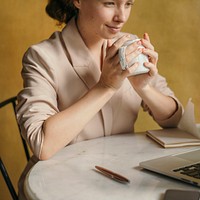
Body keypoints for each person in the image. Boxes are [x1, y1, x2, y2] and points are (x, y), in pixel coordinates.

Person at [16, 0, 183, 199]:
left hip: (119, 179)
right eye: (110, 3)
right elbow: (42, 145)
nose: (121, 16)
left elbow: (175, 120)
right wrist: (106, 86)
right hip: (56, 185)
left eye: (128, 4)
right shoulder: (42, 56)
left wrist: (144, 88)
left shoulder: (130, 46)